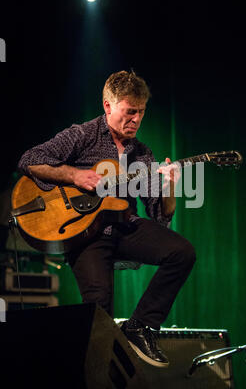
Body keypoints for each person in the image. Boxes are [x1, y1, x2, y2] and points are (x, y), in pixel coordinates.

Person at [18, 70, 196, 368]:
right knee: (99, 313)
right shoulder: (82, 135)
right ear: (108, 106)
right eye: (129, 112)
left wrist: (170, 187)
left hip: (126, 226)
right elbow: (29, 160)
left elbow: (159, 216)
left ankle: (141, 326)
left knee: (182, 252)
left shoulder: (143, 154)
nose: (136, 120)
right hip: (85, 234)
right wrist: (74, 174)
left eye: (141, 113)